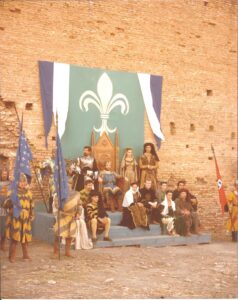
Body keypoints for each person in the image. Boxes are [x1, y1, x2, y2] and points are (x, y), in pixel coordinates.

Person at [4, 173, 34, 263]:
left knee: (25, 237)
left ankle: (25, 255)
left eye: (24, 181)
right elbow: (5, 204)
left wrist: (32, 214)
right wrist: (10, 203)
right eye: (20, 181)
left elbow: (32, 204)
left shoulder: (29, 193)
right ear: (17, 182)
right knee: (15, 237)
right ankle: (12, 256)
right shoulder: (12, 192)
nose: (22, 183)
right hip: (16, 217)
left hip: (26, 217)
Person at [52, 178, 81, 258]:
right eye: (66, 183)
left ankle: (67, 252)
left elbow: (79, 205)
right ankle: (55, 252)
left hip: (72, 217)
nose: (68, 185)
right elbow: (56, 204)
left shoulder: (77, 194)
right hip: (62, 216)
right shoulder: (60, 194)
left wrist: (78, 213)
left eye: (69, 183)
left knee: (70, 235)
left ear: (72, 184)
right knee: (58, 235)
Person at [0, 168, 11, 251]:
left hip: (5, 209)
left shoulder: (9, 184)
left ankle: (2, 244)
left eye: (5, 174)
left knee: (4, 227)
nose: (4, 175)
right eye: (3, 173)